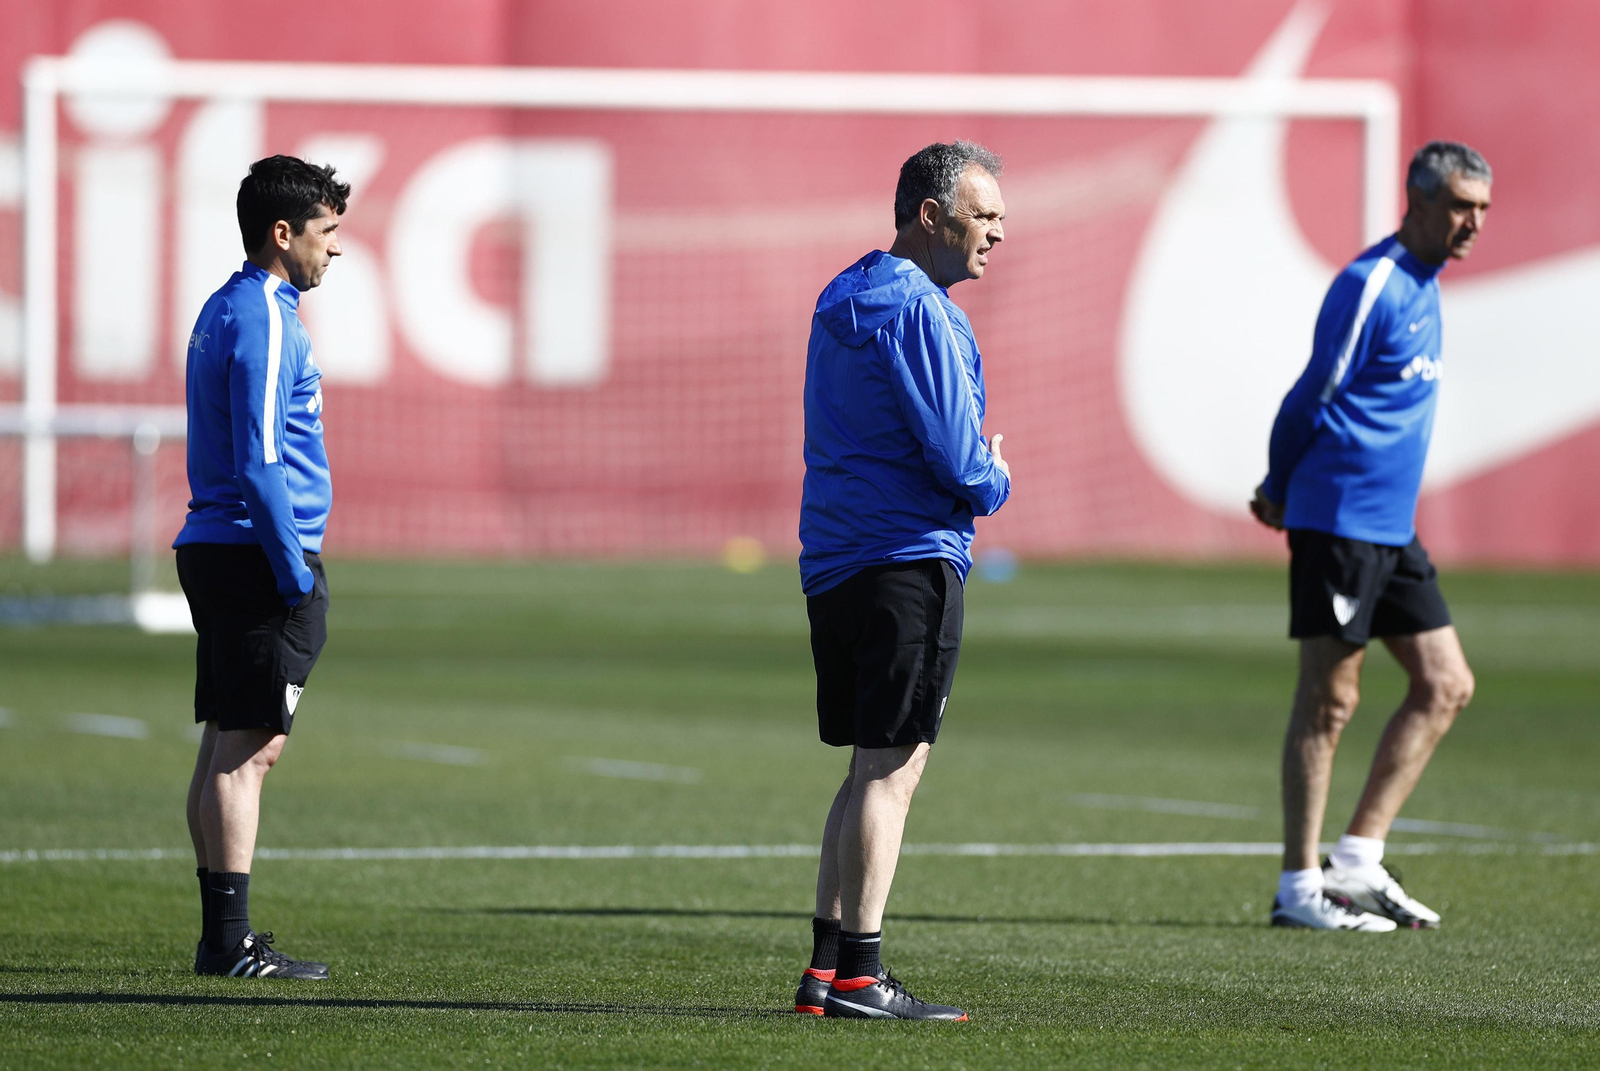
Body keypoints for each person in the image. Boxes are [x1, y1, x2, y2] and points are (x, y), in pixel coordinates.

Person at [792, 141, 1012, 1019]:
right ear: (932, 214)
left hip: (835, 559)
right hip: (907, 559)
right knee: (892, 769)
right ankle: (859, 975)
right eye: (985, 214)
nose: (999, 231)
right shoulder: (923, 312)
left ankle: (823, 966)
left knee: (863, 768)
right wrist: (995, 477)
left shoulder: (839, 292)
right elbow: (958, 457)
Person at [1251, 141, 1490, 932]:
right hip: (1339, 521)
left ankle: (1356, 861)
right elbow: (1311, 393)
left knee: (1447, 683)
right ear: (1418, 202)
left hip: (1392, 528)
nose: (1473, 222)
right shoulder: (1374, 283)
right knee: (1330, 702)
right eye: (1461, 205)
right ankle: (1299, 888)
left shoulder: (1429, 284)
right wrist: (1279, 487)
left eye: (1482, 209)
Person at [175, 155, 346, 977]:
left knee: (224, 745)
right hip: (252, 553)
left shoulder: (224, 306)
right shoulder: (269, 316)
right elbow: (261, 459)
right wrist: (293, 572)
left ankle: (221, 935)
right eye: (327, 232)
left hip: (219, 548)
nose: (334, 251)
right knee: (247, 750)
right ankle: (231, 942)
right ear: (284, 234)